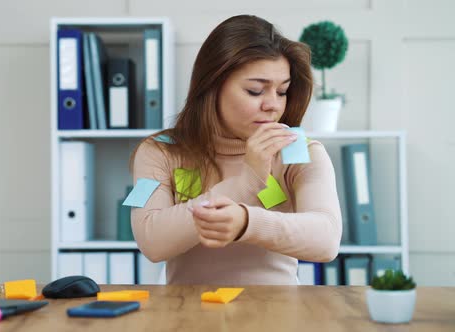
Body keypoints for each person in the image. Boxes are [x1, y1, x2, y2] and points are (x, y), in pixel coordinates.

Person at [130, 15, 342, 285]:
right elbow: (151, 241)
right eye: (255, 91)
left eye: (282, 91)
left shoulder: (300, 152)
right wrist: (246, 183)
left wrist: (245, 222)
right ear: (212, 86)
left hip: (277, 316)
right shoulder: (158, 152)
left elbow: (326, 240)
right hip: (187, 316)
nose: (273, 106)